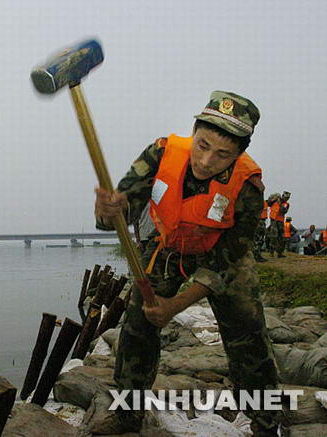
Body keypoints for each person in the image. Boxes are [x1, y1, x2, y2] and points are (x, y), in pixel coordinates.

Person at [93, 91, 281, 436]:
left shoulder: (249, 188)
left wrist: (176, 305)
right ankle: (128, 415)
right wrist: (108, 211)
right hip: (168, 246)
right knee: (137, 327)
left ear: (239, 153)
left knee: (248, 338)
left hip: (220, 254)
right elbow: (122, 210)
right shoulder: (160, 153)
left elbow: (226, 262)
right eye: (202, 145)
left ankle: (267, 424)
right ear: (193, 132)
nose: (207, 161)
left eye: (222, 154)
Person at [268, 191, 290, 257]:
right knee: (274, 236)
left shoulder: (286, 204)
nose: (285, 199)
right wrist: (274, 199)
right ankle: (271, 252)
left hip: (280, 221)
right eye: (285, 197)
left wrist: (280, 204)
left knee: (282, 237)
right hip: (274, 219)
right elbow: (269, 203)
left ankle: (280, 253)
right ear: (282, 196)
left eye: (287, 198)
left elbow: (284, 211)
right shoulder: (275, 200)